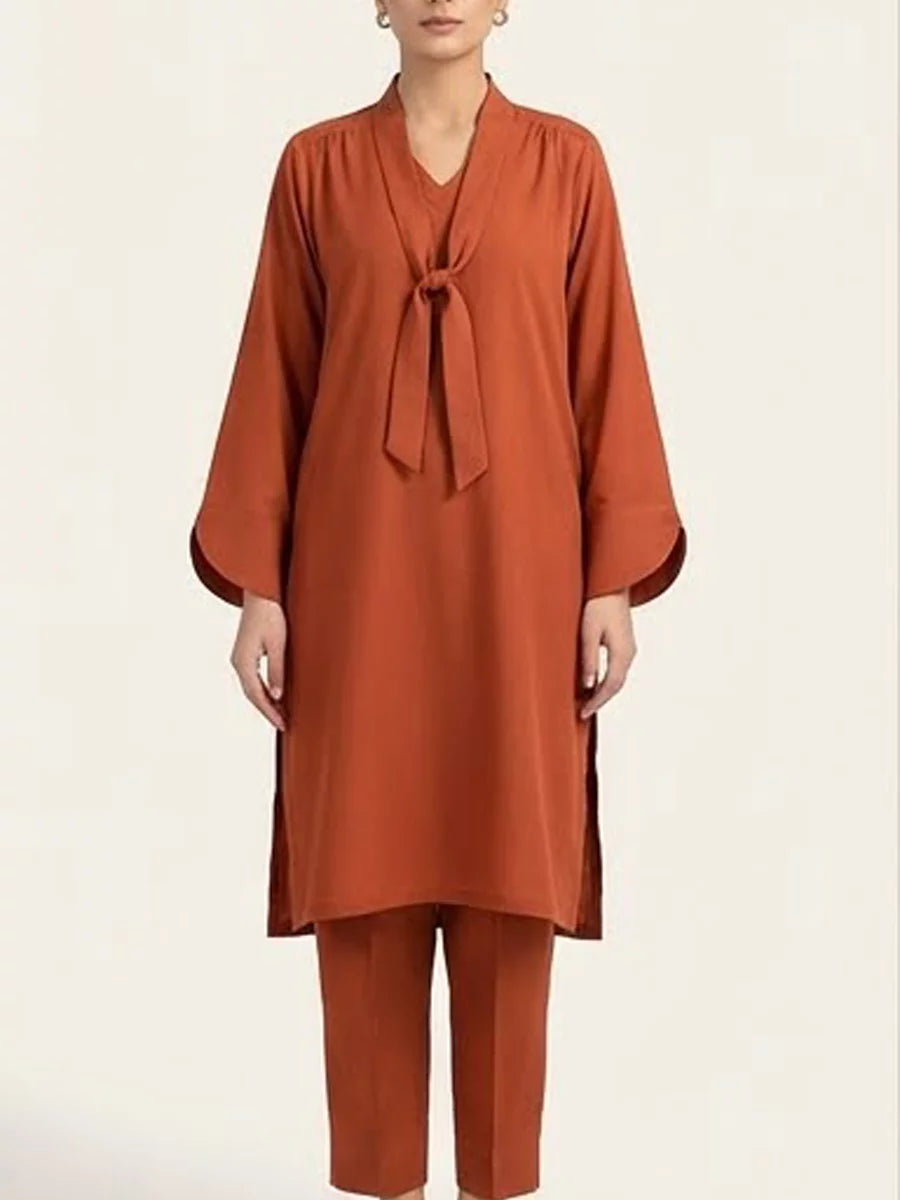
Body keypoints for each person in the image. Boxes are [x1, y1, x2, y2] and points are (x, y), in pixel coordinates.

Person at [189, 2, 687, 1197]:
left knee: (512, 877)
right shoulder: (315, 169)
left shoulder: (568, 164)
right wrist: (260, 585)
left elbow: (607, 366)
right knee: (364, 881)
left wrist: (611, 579)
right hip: (356, 585)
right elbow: (274, 372)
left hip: (522, 587)